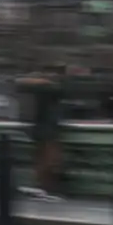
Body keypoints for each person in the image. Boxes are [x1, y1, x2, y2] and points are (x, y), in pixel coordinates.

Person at [19, 68, 65, 200]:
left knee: (46, 158)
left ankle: (43, 186)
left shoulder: (43, 90)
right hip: (46, 129)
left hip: (43, 128)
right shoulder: (48, 89)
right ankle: (43, 187)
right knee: (49, 159)